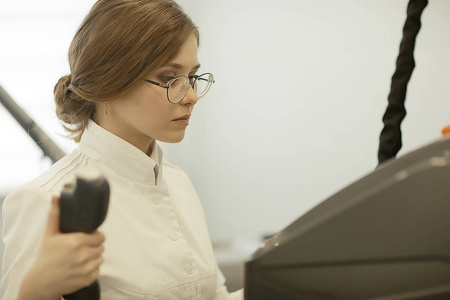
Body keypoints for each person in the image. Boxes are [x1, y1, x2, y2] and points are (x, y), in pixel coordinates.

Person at [0, 0, 243, 299]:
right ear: (109, 81)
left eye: (192, 77)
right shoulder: (44, 201)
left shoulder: (178, 181)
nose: (191, 95)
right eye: (170, 78)